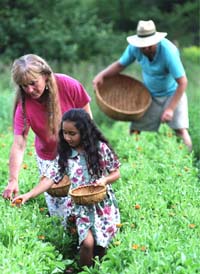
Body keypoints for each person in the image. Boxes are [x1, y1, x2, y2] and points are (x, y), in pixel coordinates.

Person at [12, 108, 121, 268]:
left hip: (102, 205)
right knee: (87, 244)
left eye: (72, 133)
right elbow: (49, 179)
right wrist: (28, 195)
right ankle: (82, 270)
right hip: (80, 206)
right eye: (64, 132)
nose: (67, 137)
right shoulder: (65, 153)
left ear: (84, 132)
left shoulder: (100, 148)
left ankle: (94, 269)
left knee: (101, 247)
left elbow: (116, 172)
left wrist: (104, 180)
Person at [2, 54, 93, 219]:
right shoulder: (24, 105)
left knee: (85, 203)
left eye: (33, 83)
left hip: (78, 152)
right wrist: (13, 180)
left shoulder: (67, 84)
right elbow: (19, 144)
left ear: (45, 75)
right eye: (23, 86)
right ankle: (66, 242)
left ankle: (87, 242)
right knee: (61, 215)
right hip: (49, 158)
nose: (29, 90)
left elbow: (88, 119)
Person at [93, 20, 192, 152]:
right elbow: (120, 65)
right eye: (142, 46)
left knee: (180, 130)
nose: (145, 49)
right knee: (135, 129)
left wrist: (170, 109)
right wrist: (102, 75)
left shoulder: (169, 52)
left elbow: (183, 82)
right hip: (150, 95)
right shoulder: (134, 48)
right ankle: (132, 157)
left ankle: (189, 161)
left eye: (149, 46)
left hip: (173, 93)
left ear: (156, 41)